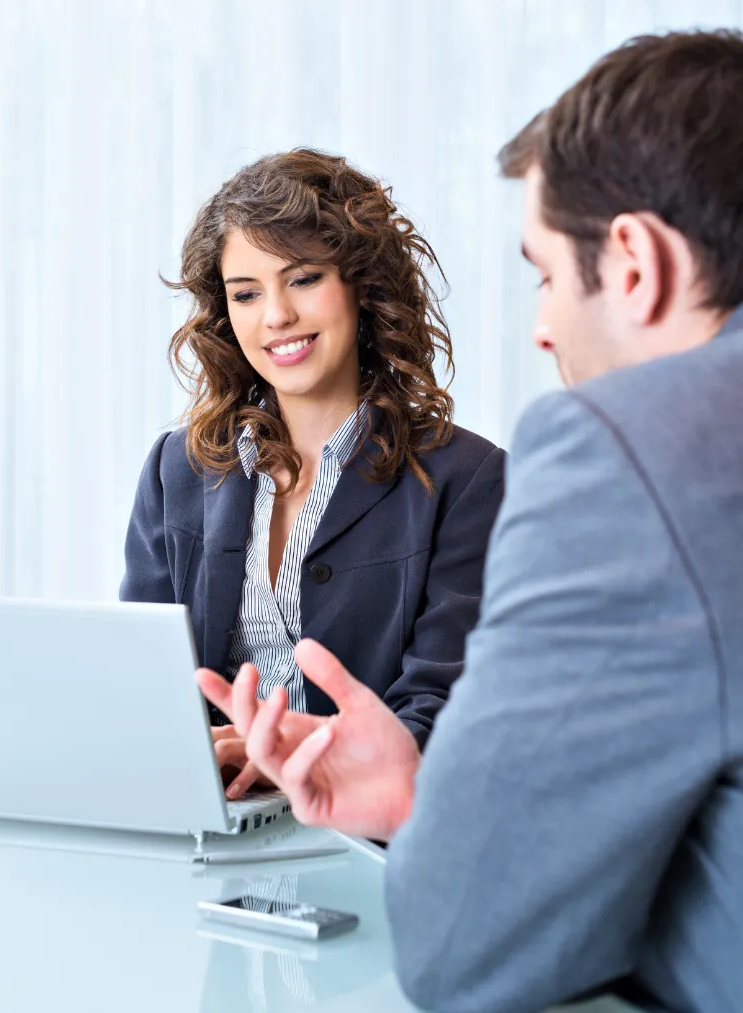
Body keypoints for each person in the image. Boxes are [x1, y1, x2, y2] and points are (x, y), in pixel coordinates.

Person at [197, 30, 743, 1013]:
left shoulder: (629, 443)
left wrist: (445, 823)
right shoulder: (187, 466)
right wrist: (425, 801)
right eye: (245, 291)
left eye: (541, 271)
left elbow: (461, 947)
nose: (539, 325)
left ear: (633, 261)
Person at [120, 149, 505, 799]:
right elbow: (141, 684)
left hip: (368, 830)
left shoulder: (466, 478)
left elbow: (443, 708)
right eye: (246, 292)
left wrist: (304, 757)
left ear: (361, 285)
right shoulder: (175, 469)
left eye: (301, 279)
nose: (275, 316)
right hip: (212, 816)